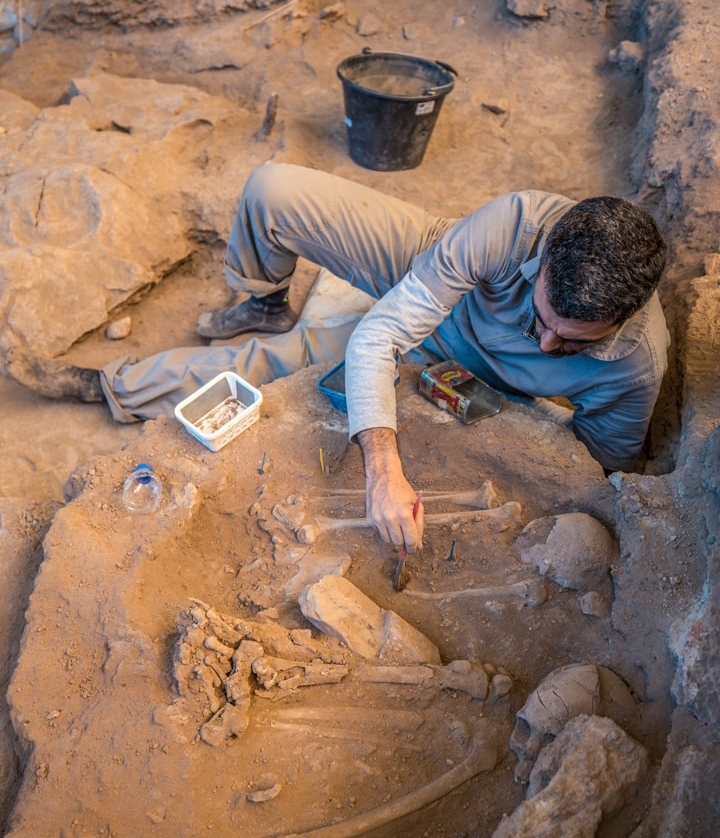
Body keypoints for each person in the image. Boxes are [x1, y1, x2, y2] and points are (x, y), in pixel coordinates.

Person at [5, 163, 669, 553]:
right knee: (273, 189)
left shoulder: (634, 366)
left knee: (284, 369)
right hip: (439, 277)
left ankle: (111, 386)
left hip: (466, 374)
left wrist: (502, 430)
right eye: (542, 319)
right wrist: (383, 471)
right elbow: (382, 333)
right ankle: (262, 298)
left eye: (572, 344)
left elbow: (595, 471)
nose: (548, 345)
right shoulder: (514, 224)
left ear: (623, 317)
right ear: (545, 255)